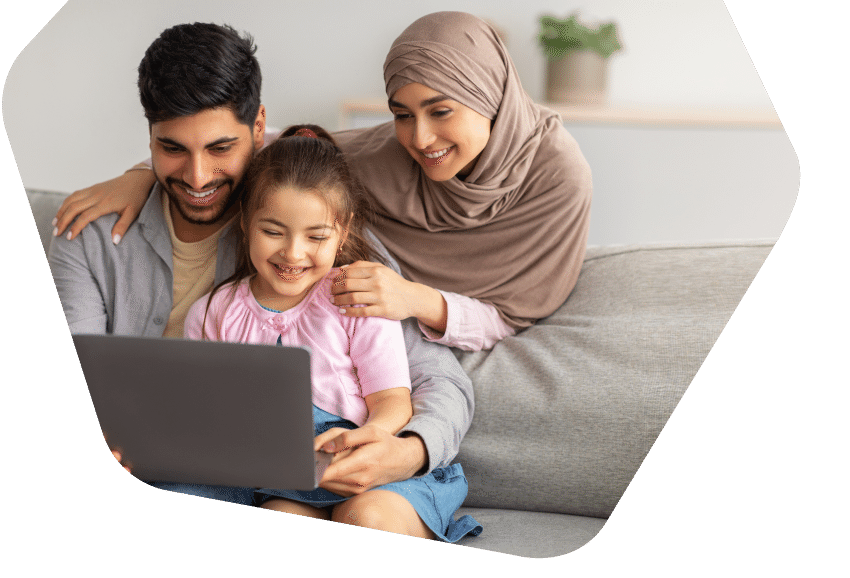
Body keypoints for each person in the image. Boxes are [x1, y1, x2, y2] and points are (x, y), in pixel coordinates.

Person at [47, 22, 473, 506]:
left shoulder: (310, 223)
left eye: (220, 148)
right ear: (149, 139)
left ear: (258, 127)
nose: (198, 176)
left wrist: (410, 452)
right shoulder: (91, 237)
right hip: (174, 469)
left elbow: (439, 378)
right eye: (172, 149)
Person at [53, 11, 593, 353]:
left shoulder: (554, 178)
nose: (420, 138)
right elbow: (270, 156)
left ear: (491, 94)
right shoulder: (358, 166)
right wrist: (142, 175)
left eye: (441, 111)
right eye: (401, 114)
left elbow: (495, 328)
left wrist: (418, 301)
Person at [183, 124, 481, 541]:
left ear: (342, 233)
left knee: (367, 519)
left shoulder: (355, 298)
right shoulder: (214, 312)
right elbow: (205, 414)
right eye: (273, 232)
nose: (293, 253)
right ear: (246, 223)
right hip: (288, 479)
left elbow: (393, 401)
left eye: (316, 236)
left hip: (375, 467)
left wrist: (373, 438)